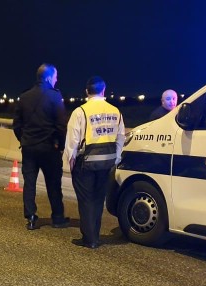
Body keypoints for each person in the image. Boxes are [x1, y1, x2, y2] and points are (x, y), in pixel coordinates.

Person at [64, 76, 126, 249]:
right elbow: (121, 137)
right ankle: (95, 235)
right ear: (103, 90)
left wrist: (70, 159)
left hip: (86, 162)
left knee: (86, 200)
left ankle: (89, 238)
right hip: (107, 162)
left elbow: (72, 140)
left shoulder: (80, 111)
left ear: (86, 91)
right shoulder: (115, 111)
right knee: (98, 199)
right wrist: (116, 158)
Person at [12, 63, 69, 231]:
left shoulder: (24, 97)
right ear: (49, 77)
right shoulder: (54, 96)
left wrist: (24, 139)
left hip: (29, 147)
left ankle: (30, 217)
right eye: (55, 76)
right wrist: (60, 145)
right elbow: (61, 125)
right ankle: (57, 217)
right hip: (49, 148)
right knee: (53, 183)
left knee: (29, 183)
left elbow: (16, 125)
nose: (57, 79)